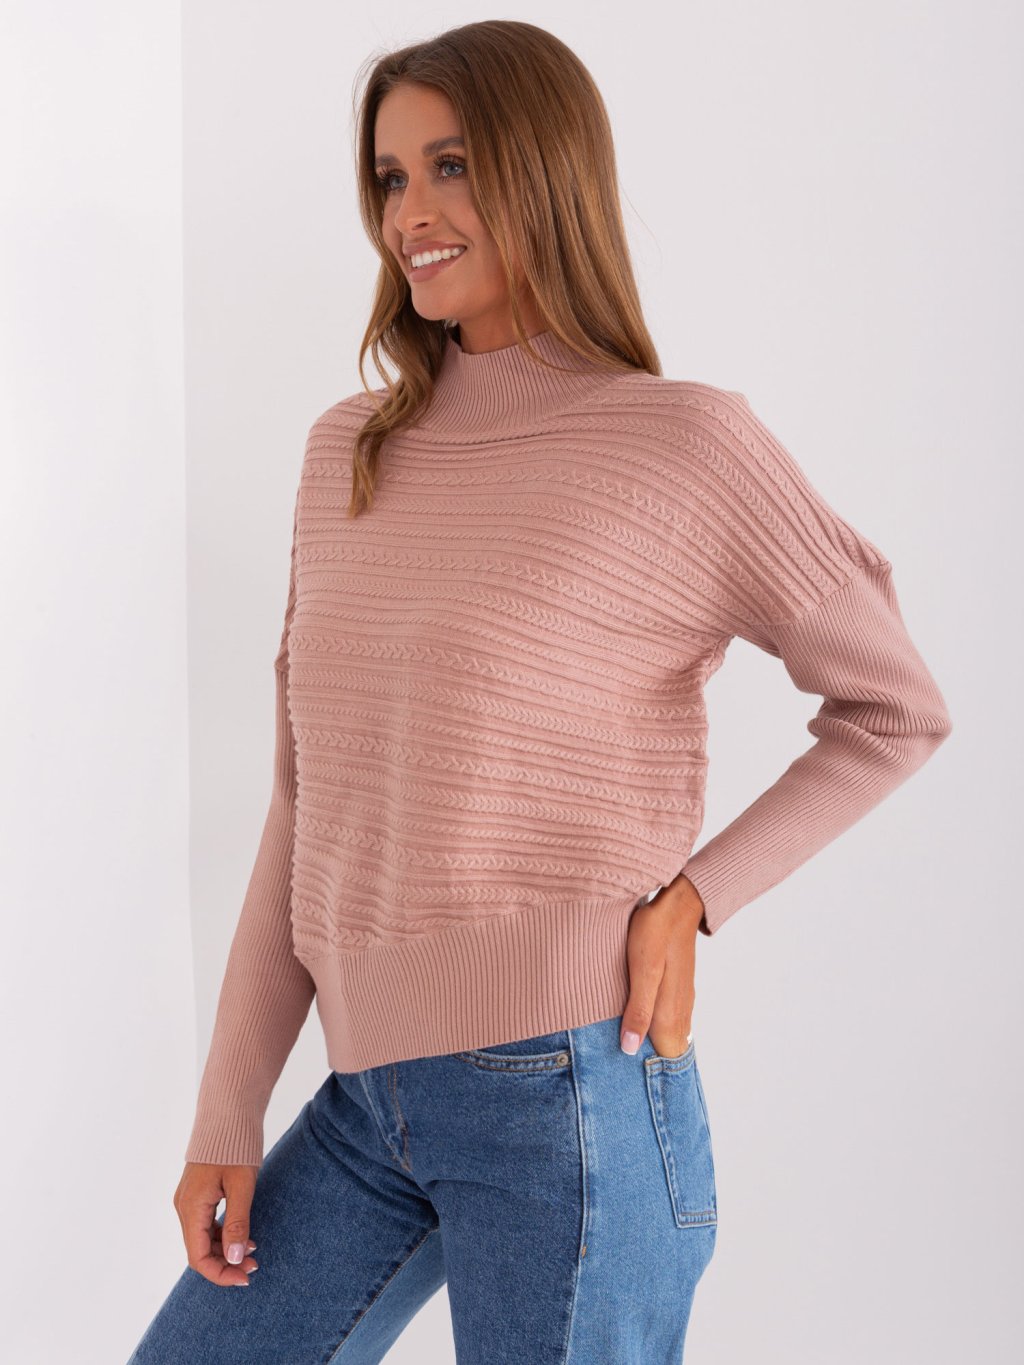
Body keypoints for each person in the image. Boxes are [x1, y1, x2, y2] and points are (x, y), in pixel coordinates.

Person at [127, 20, 953, 1365]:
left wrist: (698, 897)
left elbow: (895, 708)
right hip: (366, 1097)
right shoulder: (348, 454)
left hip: (570, 1090)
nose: (411, 213)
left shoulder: (682, 442)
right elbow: (304, 797)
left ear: (547, 172)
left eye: (451, 166)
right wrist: (228, 1109)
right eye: (391, 177)